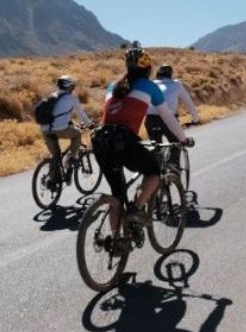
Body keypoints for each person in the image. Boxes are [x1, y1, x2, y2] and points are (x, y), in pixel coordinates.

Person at [92, 42, 194, 225]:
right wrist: (183, 139)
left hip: (100, 141)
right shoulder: (149, 86)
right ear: (148, 68)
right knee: (154, 172)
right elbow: (169, 117)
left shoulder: (112, 86)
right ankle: (136, 209)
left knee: (118, 194)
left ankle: (116, 241)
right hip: (123, 140)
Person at [40, 75, 93, 181]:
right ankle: (71, 159)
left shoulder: (51, 96)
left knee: (55, 155)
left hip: (45, 129)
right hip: (59, 129)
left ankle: (53, 181)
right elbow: (81, 115)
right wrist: (90, 124)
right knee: (77, 134)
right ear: (68, 86)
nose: (73, 88)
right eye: (72, 86)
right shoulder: (72, 99)